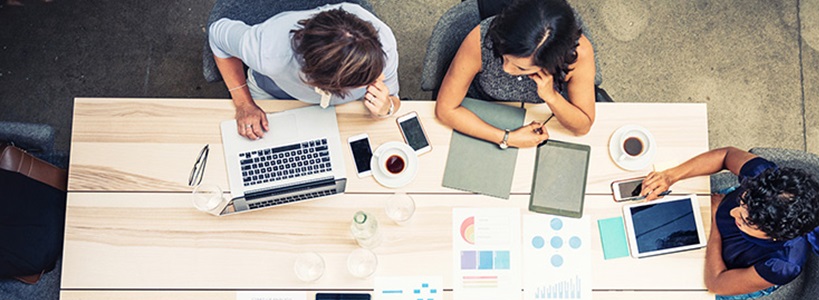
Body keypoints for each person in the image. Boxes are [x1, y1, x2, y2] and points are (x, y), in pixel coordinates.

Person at [639, 147, 819, 300]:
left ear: (774, 236)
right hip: (715, 213)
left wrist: (714, 222)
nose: (732, 212)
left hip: (730, 271)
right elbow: (726, 155)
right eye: (742, 200)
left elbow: (716, 283)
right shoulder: (763, 179)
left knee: (666, 290)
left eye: (746, 220)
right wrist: (670, 176)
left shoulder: (781, 264)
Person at [209, 3, 402, 140]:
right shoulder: (267, 51)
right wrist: (244, 104)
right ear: (323, 84)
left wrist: (387, 107)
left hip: (343, 110)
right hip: (274, 93)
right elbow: (217, 35)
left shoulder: (383, 44)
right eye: (365, 80)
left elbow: (393, 97)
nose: (381, 78)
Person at [435, 0, 597, 149]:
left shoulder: (579, 53)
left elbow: (582, 127)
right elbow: (445, 109)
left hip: (541, 117)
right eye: (505, 57)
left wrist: (552, 97)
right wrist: (507, 138)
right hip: (483, 109)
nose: (507, 69)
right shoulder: (481, 39)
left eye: (522, 68)